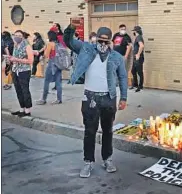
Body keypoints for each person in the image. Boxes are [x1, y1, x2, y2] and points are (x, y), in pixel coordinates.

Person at [63, 24, 128, 178]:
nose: (103, 44)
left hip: (108, 98)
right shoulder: (86, 49)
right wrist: (71, 29)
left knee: (108, 131)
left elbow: (123, 77)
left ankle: (107, 159)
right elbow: (68, 41)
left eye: (107, 42)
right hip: (90, 97)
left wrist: (124, 97)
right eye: (100, 41)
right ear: (96, 39)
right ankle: (88, 162)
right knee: (90, 131)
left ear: (111, 42)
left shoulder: (117, 57)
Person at [9, 30, 34, 117]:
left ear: (22, 36)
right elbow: (14, 57)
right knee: (18, 90)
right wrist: (10, 59)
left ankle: (27, 111)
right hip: (15, 70)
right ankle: (21, 108)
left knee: (25, 90)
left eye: (19, 35)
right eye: (15, 35)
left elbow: (31, 60)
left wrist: (16, 60)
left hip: (24, 71)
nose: (17, 37)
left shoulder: (27, 46)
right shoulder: (15, 45)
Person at [36, 31, 64, 105]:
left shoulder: (50, 44)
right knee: (58, 82)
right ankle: (59, 99)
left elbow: (46, 55)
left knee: (46, 81)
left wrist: (45, 50)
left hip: (52, 63)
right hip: (59, 64)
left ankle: (43, 99)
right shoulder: (59, 44)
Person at [130, 26, 145, 92]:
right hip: (135, 57)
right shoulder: (137, 37)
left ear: (135, 31)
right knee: (133, 71)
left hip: (138, 58)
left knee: (139, 72)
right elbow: (137, 46)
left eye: (133, 31)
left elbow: (141, 46)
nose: (133, 32)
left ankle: (140, 86)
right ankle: (135, 84)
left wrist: (138, 54)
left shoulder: (139, 37)